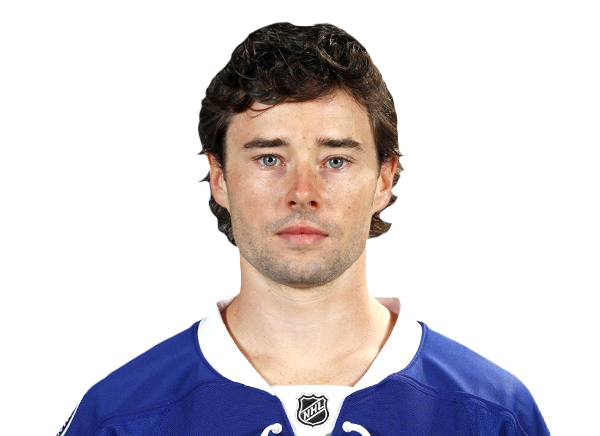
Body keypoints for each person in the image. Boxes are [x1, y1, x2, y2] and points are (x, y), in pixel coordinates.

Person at [57, 17, 550, 436]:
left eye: (335, 160)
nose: (302, 191)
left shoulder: (494, 414)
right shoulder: (119, 418)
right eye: (269, 158)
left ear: (383, 179)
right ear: (219, 178)